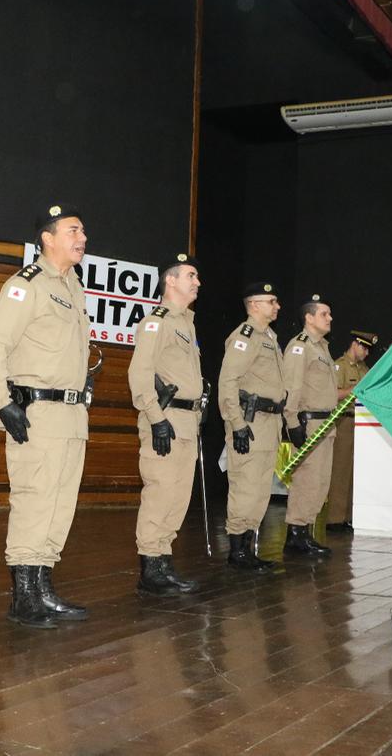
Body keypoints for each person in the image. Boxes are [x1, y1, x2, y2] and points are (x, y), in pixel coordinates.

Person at [0, 204, 91, 629]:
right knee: (34, 501)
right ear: (48, 237)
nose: (82, 238)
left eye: (83, 232)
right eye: (73, 230)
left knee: (59, 505)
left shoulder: (73, 287)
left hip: (72, 415)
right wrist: (3, 402)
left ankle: (43, 588)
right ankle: (24, 596)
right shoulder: (27, 286)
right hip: (36, 412)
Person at [128, 253, 204, 597]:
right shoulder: (156, 321)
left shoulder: (186, 323)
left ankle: (163, 561)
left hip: (187, 421)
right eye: (191, 275)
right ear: (170, 281)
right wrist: (156, 419)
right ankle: (150, 569)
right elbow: (139, 374)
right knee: (160, 492)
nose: (197, 282)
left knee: (177, 497)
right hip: (166, 418)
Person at [217, 282, 288, 572]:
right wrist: (236, 425)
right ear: (254, 305)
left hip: (269, 422)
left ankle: (248, 547)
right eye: (271, 301)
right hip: (249, 420)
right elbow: (228, 382)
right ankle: (236, 551)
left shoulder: (269, 337)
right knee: (245, 485)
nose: (277, 306)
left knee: (260, 489)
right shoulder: (244, 337)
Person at [281, 295, 339, 557]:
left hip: (326, 422)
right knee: (307, 480)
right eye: (324, 314)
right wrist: (292, 423)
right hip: (310, 423)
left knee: (320, 482)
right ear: (309, 317)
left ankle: (305, 532)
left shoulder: (322, 348)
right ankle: (295, 534)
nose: (329, 318)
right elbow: (291, 387)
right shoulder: (300, 347)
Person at [326, 330, 377, 529]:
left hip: (362, 425)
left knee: (355, 472)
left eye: (368, 350)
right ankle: (334, 518)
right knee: (340, 470)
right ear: (354, 344)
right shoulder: (340, 366)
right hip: (344, 421)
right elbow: (334, 394)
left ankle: (348, 516)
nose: (366, 353)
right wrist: (355, 392)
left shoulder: (364, 368)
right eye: (363, 348)